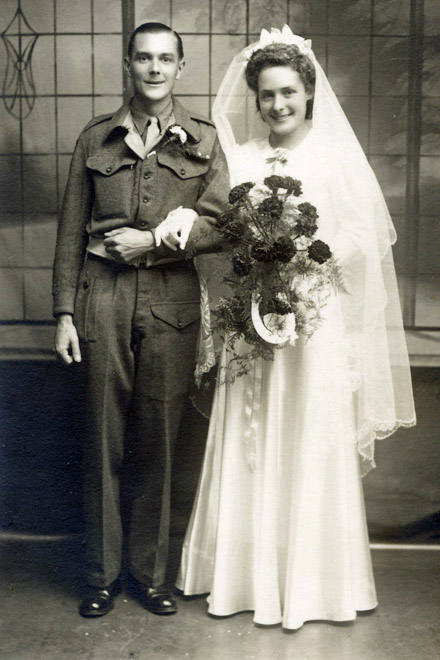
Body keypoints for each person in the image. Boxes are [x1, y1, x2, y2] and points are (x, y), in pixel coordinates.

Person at [176, 26, 416, 629]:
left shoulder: (335, 156)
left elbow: (371, 237)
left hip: (316, 322)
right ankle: (242, 580)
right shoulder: (246, 158)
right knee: (255, 438)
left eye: (288, 92)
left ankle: (312, 588)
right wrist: (253, 257)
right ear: (255, 99)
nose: (277, 105)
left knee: (309, 435)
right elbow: (220, 228)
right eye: (266, 95)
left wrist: (309, 252)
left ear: (309, 92)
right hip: (254, 319)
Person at [52, 22, 229, 618]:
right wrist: (64, 312)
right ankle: (101, 576)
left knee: (160, 440)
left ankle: (149, 577)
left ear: (180, 68)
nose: (154, 69)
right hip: (101, 296)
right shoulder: (95, 137)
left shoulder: (203, 139)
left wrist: (153, 242)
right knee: (103, 441)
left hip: (172, 302)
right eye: (143, 58)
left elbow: (221, 224)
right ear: (127, 65)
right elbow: (70, 232)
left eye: (166, 59)